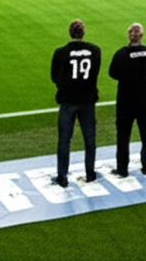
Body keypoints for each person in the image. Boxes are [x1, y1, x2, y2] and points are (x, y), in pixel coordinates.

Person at [50, 19, 101, 188]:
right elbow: (95, 73)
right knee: (89, 139)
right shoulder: (95, 50)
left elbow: (54, 76)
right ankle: (90, 173)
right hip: (87, 100)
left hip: (68, 100)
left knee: (64, 140)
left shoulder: (61, 52)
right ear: (83, 32)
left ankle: (62, 176)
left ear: (70, 32)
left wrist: (64, 86)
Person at [109, 22, 146, 178]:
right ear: (141, 36)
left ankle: (122, 168)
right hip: (145, 101)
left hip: (126, 102)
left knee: (123, 136)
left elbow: (113, 73)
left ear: (129, 35)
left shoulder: (120, 54)